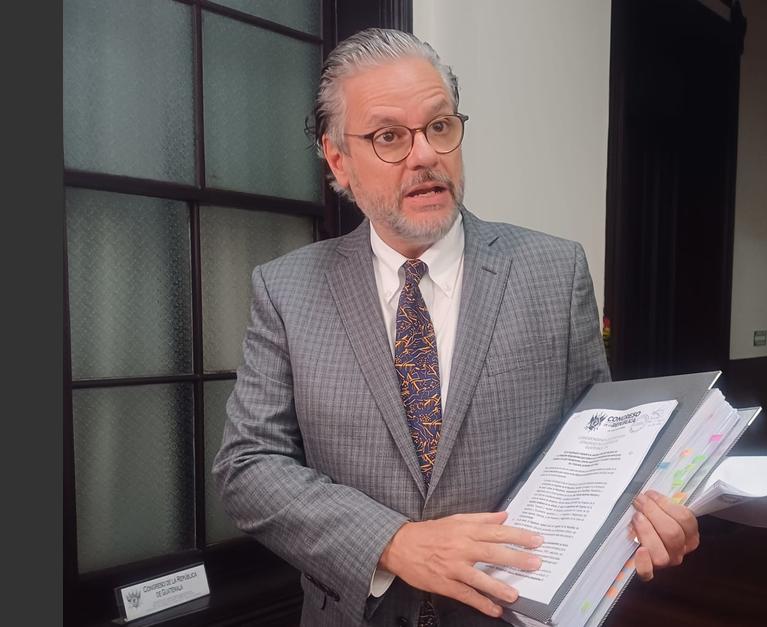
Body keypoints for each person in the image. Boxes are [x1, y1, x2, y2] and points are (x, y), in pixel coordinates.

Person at [212, 27, 699, 627]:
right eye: (389, 136)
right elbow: (248, 465)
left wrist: (644, 517)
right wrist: (392, 542)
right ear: (339, 161)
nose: (425, 155)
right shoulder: (287, 289)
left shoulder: (554, 270)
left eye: (439, 126)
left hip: (513, 612)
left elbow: (599, 449)